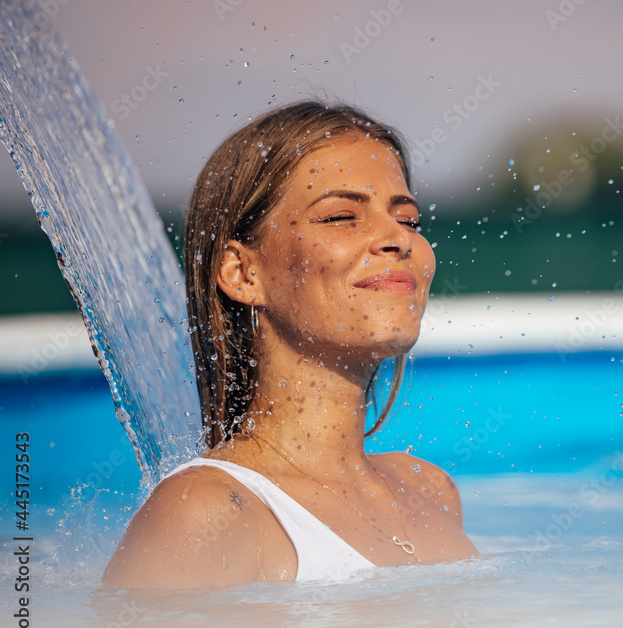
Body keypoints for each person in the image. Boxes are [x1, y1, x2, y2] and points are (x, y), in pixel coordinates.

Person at [102, 101, 478, 589]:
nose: (397, 239)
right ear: (243, 274)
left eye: (408, 220)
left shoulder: (430, 490)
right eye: (342, 216)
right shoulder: (205, 511)